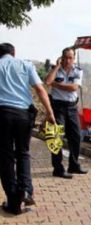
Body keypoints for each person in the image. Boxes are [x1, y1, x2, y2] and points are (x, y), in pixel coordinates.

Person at [0, 43, 56, 214]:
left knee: (6, 157)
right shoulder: (25, 64)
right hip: (23, 115)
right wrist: (50, 113)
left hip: (2, 115)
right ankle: (25, 190)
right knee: (23, 153)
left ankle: (13, 201)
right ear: (14, 53)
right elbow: (40, 88)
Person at [45, 47, 88, 179]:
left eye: (71, 58)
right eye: (66, 58)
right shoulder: (55, 69)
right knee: (56, 137)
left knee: (76, 136)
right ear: (62, 58)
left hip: (71, 107)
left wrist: (56, 85)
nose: (68, 60)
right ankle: (58, 169)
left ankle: (73, 165)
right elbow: (47, 81)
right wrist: (57, 67)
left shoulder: (78, 71)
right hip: (57, 107)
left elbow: (73, 88)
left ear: (74, 58)